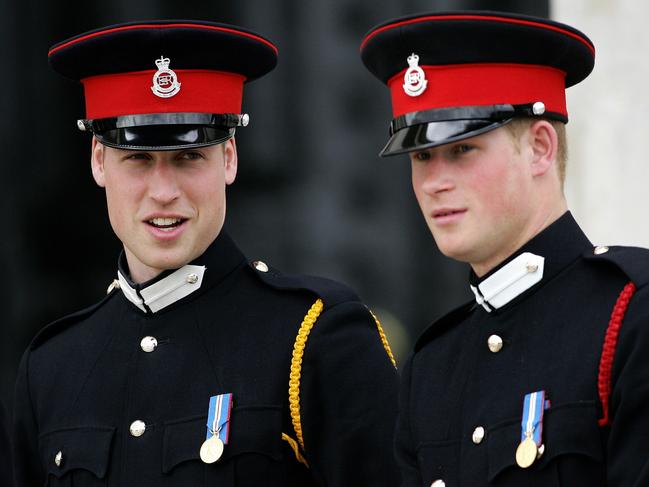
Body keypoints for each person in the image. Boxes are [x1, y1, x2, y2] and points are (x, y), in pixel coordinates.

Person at [13, 20, 399, 486]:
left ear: (229, 157)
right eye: (137, 159)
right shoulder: (51, 367)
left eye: (188, 157)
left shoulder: (315, 336)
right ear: (98, 160)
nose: (163, 192)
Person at [360, 11, 649, 487]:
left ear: (539, 147)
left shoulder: (630, 314)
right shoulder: (431, 370)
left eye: (462, 149)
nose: (433, 183)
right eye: (421, 156)